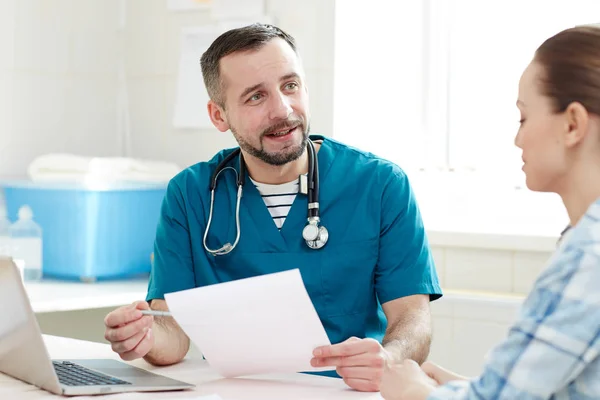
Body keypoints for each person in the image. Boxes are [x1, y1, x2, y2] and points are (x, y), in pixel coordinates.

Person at [103, 23, 442, 392]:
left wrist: (389, 358)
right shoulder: (192, 194)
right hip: (232, 394)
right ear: (219, 115)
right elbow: (171, 332)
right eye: (255, 97)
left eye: (290, 85)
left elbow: (412, 318)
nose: (282, 110)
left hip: (343, 393)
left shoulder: (379, 185)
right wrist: (144, 337)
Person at [380, 24, 600, 400]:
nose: (518, 138)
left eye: (524, 118)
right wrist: (465, 388)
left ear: (573, 123)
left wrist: (411, 391)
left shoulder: (588, 257)